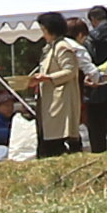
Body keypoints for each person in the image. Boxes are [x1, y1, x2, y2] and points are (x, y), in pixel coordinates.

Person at [31, 13, 91, 155]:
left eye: (44, 30)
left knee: (59, 137)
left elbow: (70, 71)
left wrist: (48, 78)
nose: (43, 34)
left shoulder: (63, 47)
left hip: (61, 100)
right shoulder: (51, 47)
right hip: (50, 100)